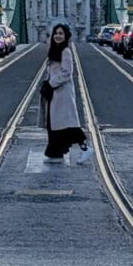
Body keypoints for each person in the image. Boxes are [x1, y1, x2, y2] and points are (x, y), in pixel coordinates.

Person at [39, 22, 93, 164]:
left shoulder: (65, 51)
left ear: (66, 36)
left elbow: (67, 73)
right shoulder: (55, 50)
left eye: (61, 33)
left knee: (68, 125)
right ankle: (56, 153)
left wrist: (50, 83)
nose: (58, 36)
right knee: (56, 124)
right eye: (56, 33)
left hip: (62, 93)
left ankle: (86, 149)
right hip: (55, 93)